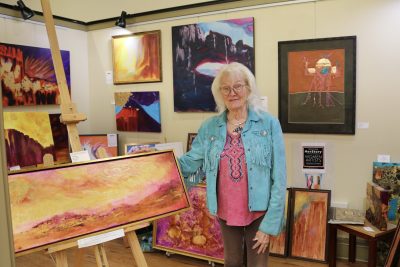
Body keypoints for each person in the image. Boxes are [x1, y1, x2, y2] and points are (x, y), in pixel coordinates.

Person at [178, 62, 287, 267]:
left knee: (257, 265)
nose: (232, 92)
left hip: (259, 212)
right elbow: (191, 162)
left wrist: (270, 225)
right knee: (232, 262)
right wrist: (161, 161)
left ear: (248, 88)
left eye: (238, 86)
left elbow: (279, 178)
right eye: (226, 88)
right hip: (226, 210)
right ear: (220, 93)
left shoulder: (269, 124)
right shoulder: (210, 127)